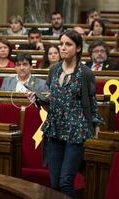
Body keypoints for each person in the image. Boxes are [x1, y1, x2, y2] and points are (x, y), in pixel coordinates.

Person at [26, 30, 103, 198]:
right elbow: (51, 102)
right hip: (55, 128)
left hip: (76, 131)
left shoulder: (85, 73)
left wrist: (94, 134)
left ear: (78, 48)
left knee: (65, 181)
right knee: (54, 182)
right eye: (61, 44)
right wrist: (37, 99)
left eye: (68, 44)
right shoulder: (54, 70)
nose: (63, 48)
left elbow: (92, 106)